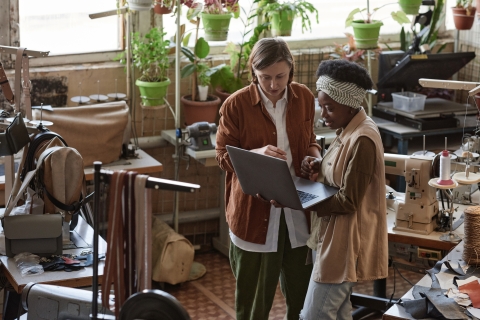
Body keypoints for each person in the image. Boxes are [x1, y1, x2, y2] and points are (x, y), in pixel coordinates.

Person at [215, 38, 321, 320]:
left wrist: (313, 158)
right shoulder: (235, 105)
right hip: (254, 215)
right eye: (265, 77)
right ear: (254, 72)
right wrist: (255, 154)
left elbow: (310, 141)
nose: (273, 84)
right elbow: (222, 156)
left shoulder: (305, 99)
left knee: (302, 299)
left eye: (280, 76)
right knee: (253, 306)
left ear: (291, 71)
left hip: (299, 213)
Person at [299, 59, 388, 320]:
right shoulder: (347, 129)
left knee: (315, 315)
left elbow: (348, 200)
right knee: (338, 313)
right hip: (332, 237)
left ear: (350, 106)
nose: (323, 114)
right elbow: (342, 171)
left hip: (343, 245)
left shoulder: (363, 138)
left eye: (329, 108)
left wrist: (302, 199)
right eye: (321, 105)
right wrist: (320, 165)